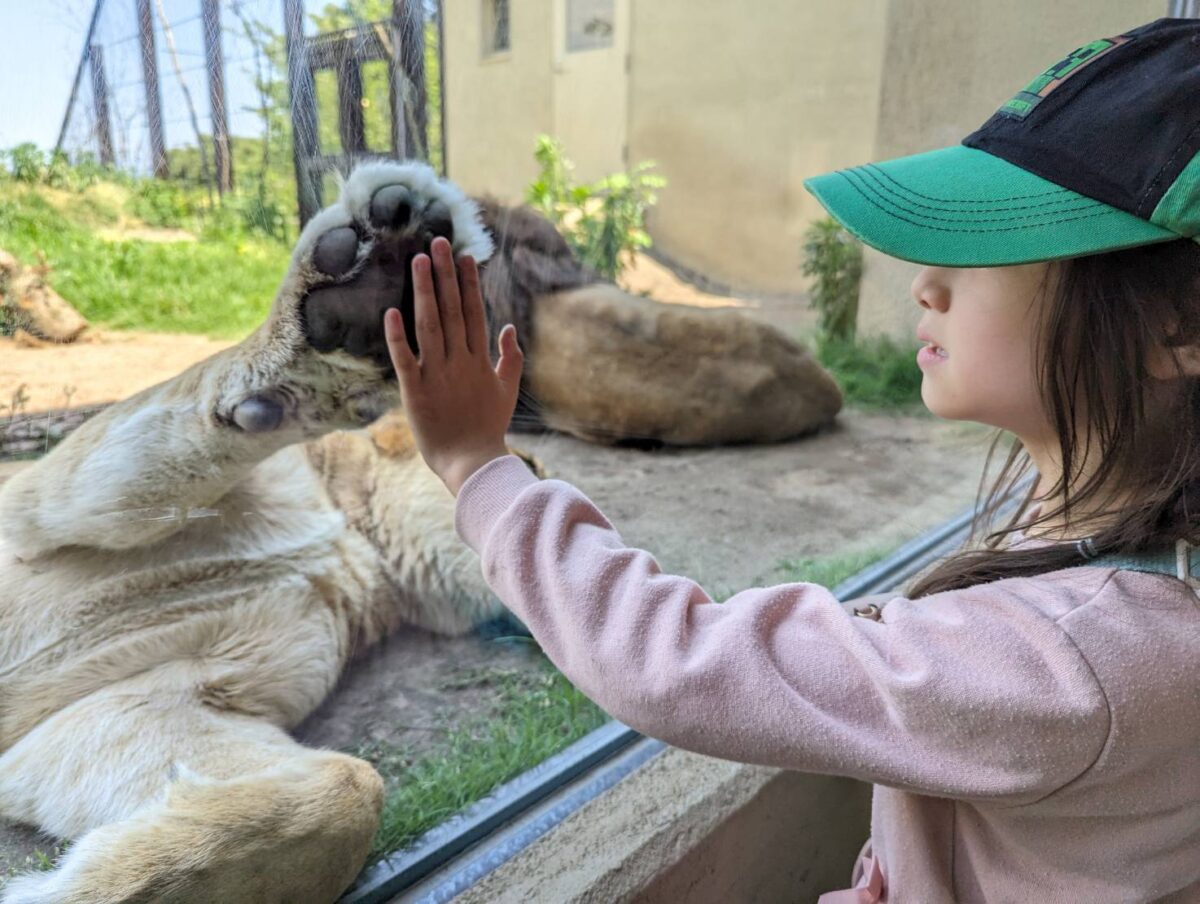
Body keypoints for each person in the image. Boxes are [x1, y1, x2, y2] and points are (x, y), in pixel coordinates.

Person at [383, 17, 1200, 903]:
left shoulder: (1077, 656)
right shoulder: (1127, 553)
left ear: (1178, 326)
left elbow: (677, 661)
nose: (925, 283)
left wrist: (479, 469)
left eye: (993, 241)